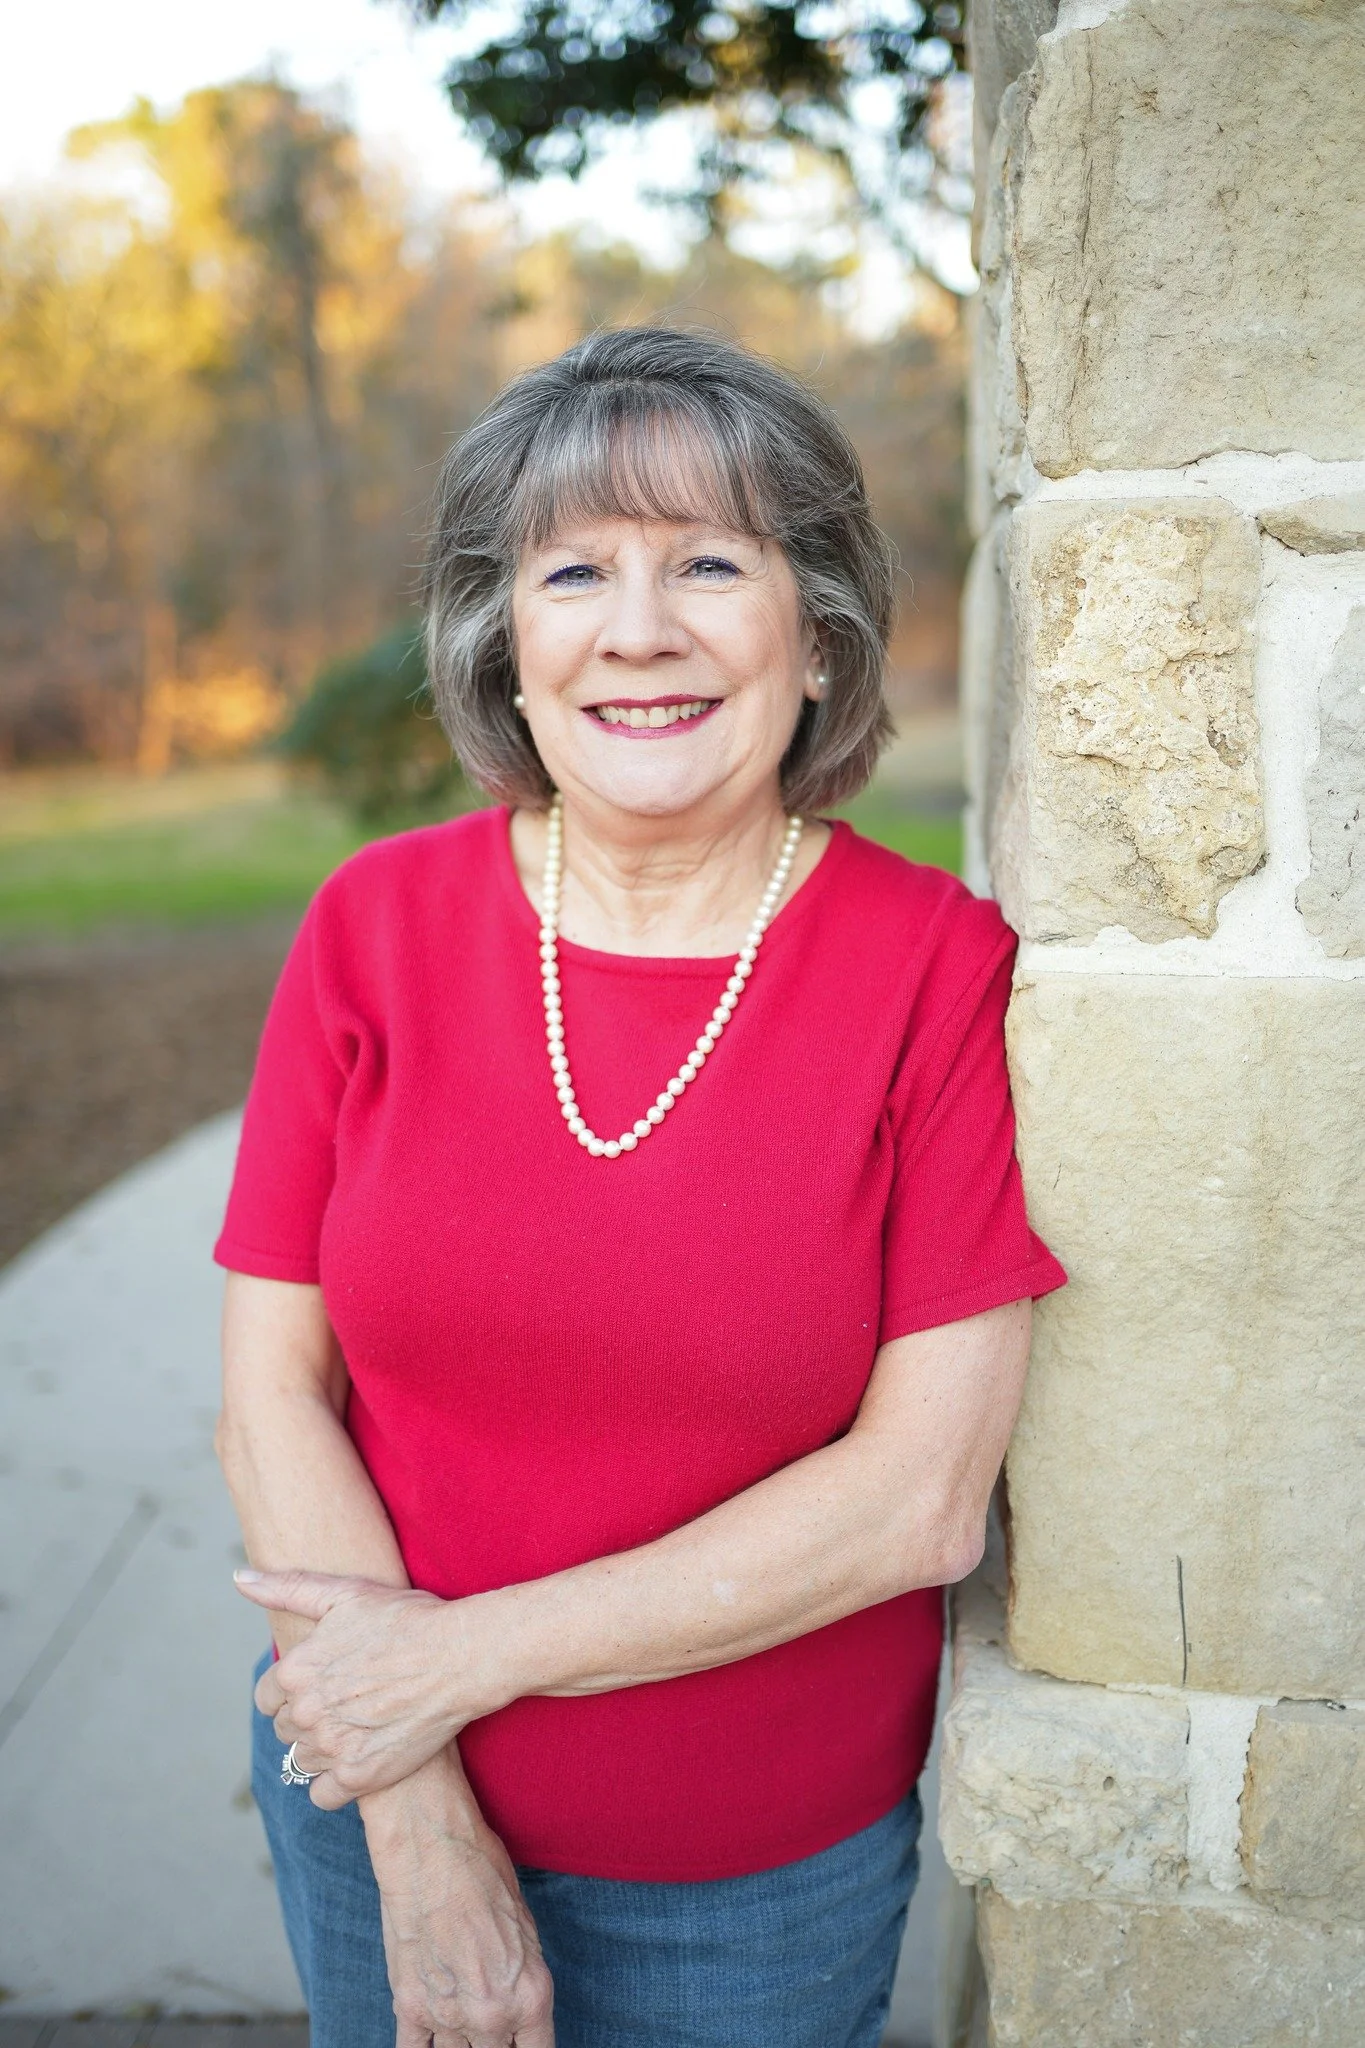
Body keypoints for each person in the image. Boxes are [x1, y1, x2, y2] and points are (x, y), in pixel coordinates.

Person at [215, 325, 1065, 2048]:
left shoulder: (935, 971)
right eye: (574, 572)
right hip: (369, 1809)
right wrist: (416, 1813)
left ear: (817, 638)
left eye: (710, 565)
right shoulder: (372, 931)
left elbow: (918, 1501)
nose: (640, 629)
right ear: (507, 649)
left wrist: (454, 1664)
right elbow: (268, 1397)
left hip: (749, 1895)